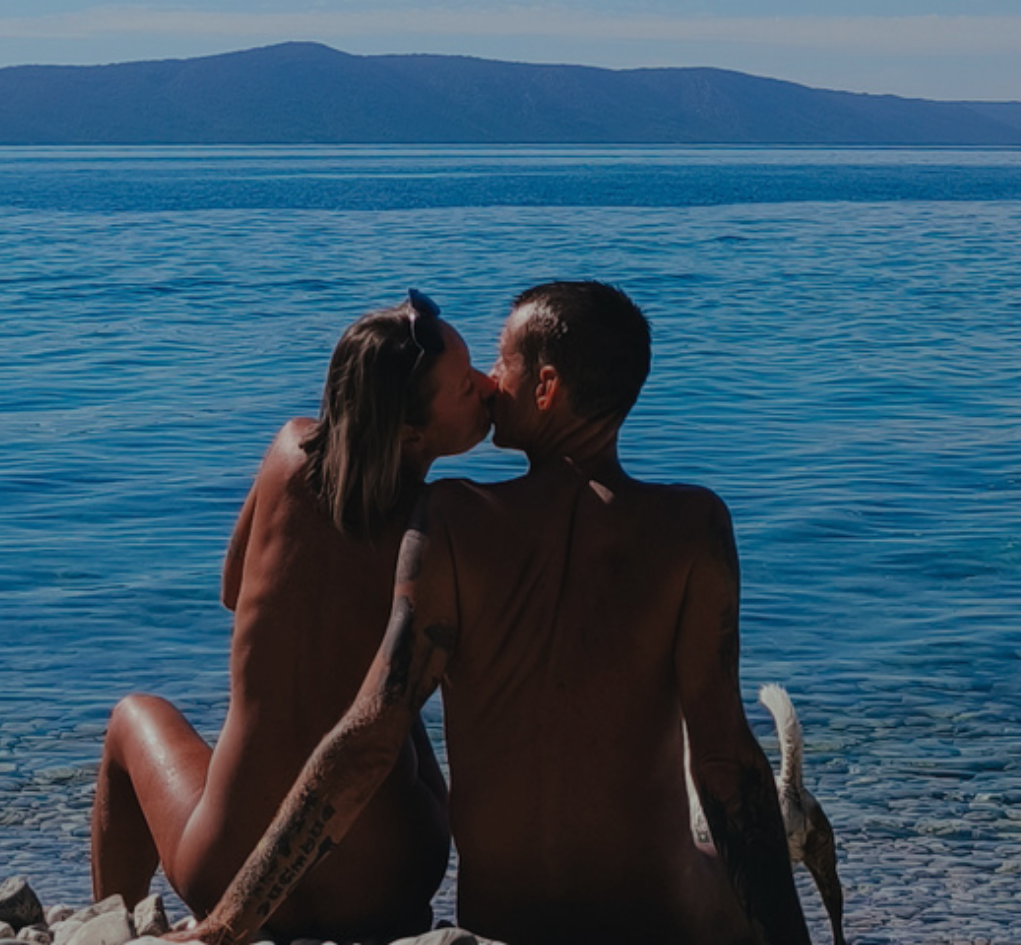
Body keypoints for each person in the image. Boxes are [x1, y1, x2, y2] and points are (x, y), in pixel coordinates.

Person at [187, 282, 811, 945]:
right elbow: (723, 758)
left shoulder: (452, 519)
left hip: (502, 924)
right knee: (719, 866)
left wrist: (230, 920)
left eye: (500, 359)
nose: (489, 381)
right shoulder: (692, 527)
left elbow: (369, 735)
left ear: (546, 387)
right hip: (652, 920)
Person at [91, 291, 492, 941]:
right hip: (385, 884)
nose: (488, 387)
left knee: (131, 716)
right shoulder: (446, 519)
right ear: (411, 434)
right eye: (467, 385)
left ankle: (107, 922)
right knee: (400, 704)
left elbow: (232, 590)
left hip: (225, 866)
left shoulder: (289, 453)